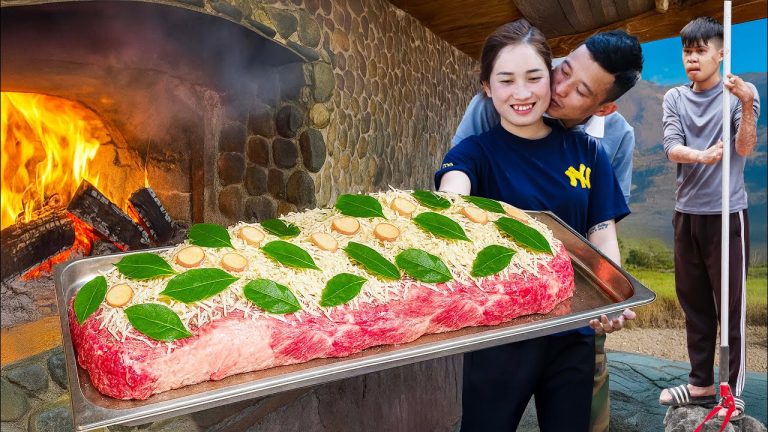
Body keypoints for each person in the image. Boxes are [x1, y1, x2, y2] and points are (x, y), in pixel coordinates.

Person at [436, 19, 631, 431]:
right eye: (505, 80)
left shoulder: (590, 152)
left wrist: (613, 295)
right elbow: (454, 192)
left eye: (534, 78)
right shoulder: (475, 152)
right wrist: (446, 209)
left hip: (572, 331)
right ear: (487, 88)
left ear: (548, 77)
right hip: (499, 335)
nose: (522, 93)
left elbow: (601, 233)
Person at [658, 16, 759, 421]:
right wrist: (701, 155)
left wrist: (747, 105)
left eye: (701, 50)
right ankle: (700, 383)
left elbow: (745, 147)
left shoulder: (739, 94)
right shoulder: (675, 98)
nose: (692, 58)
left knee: (730, 307)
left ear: (721, 53)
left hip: (727, 213)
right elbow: (670, 147)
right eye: (687, 51)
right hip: (687, 214)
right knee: (694, 302)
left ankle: (730, 392)